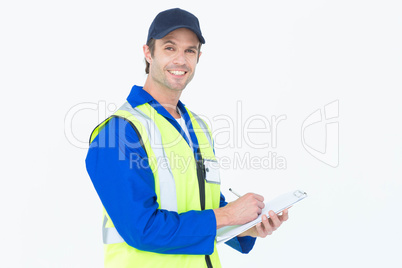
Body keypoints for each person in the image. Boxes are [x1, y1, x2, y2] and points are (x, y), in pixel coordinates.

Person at [85, 8, 289, 268]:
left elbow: (207, 207)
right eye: (170, 48)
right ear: (149, 53)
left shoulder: (199, 128)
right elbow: (142, 228)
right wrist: (227, 214)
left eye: (189, 50)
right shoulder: (118, 133)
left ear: (198, 57)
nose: (180, 60)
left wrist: (247, 227)